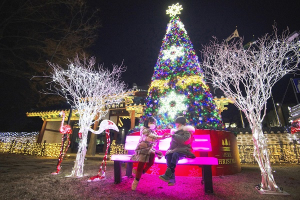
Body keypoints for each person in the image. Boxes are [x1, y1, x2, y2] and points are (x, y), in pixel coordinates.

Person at [130, 116, 168, 191]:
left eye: (154, 123)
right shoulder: (144, 130)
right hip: (142, 149)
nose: (152, 124)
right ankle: (135, 182)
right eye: (151, 122)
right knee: (141, 164)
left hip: (149, 150)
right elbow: (149, 137)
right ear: (147, 123)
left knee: (151, 159)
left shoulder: (153, 132)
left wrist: (157, 151)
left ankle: (140, 171)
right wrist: (160, 137)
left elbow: (154, 143)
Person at [159, 116, 195, 186]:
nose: (177, 126)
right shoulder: (175, 133)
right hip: (175, 151)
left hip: (184, 151)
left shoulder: (187, 132)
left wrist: (173, 136)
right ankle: (172, 179)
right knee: (169, 156)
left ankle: (167, 175)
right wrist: (168, 151)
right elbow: (172, 146)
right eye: (176, 124)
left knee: (175, 154)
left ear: (183, 124)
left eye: (178, 124)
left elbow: (184, 141)